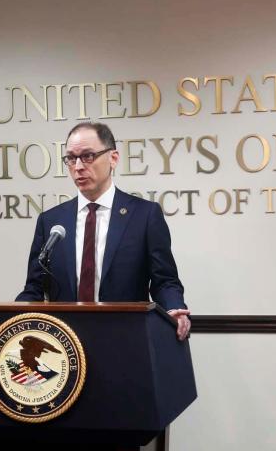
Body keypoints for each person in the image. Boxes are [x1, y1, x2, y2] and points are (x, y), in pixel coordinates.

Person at [16, 122, 191, 341]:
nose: (78, 166)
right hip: (65, 345)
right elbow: (34, 287)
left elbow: (165, 281)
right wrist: (13, 315)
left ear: (113, 158)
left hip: (127, 339)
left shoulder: (144, 216)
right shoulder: (51, 221)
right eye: (71, 158)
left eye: (88, 156)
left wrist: (174, 307)